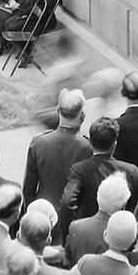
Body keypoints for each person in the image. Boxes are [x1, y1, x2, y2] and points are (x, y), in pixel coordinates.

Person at [22, 89, 92, 221]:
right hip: (73, 217)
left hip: (42, 214)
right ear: (82, 114)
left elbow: (28, 189)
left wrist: (29, 215)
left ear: (57, 111)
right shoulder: (88, 147)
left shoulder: (38, 142)